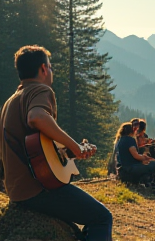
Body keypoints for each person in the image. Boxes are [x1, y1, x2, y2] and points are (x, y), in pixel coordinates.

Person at [0, 45, 112, 241]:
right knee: (102, 217)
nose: (51, 72)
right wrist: (76, 147)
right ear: (43, 69)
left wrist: (67, 151)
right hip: (37, 189)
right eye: (50, 67)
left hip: (16, 189)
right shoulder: (40, 90)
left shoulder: (11, 101)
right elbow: (36, 117)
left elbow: (37, 150)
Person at [117, 122, 155, 188]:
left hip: (125, 167)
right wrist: (145, 158)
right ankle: (154, 181)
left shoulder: (121, 140)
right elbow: (135, 155)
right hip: (131, 167)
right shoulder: (130, 140)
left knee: (148, 165)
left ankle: (149, 181)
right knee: (154, 163)